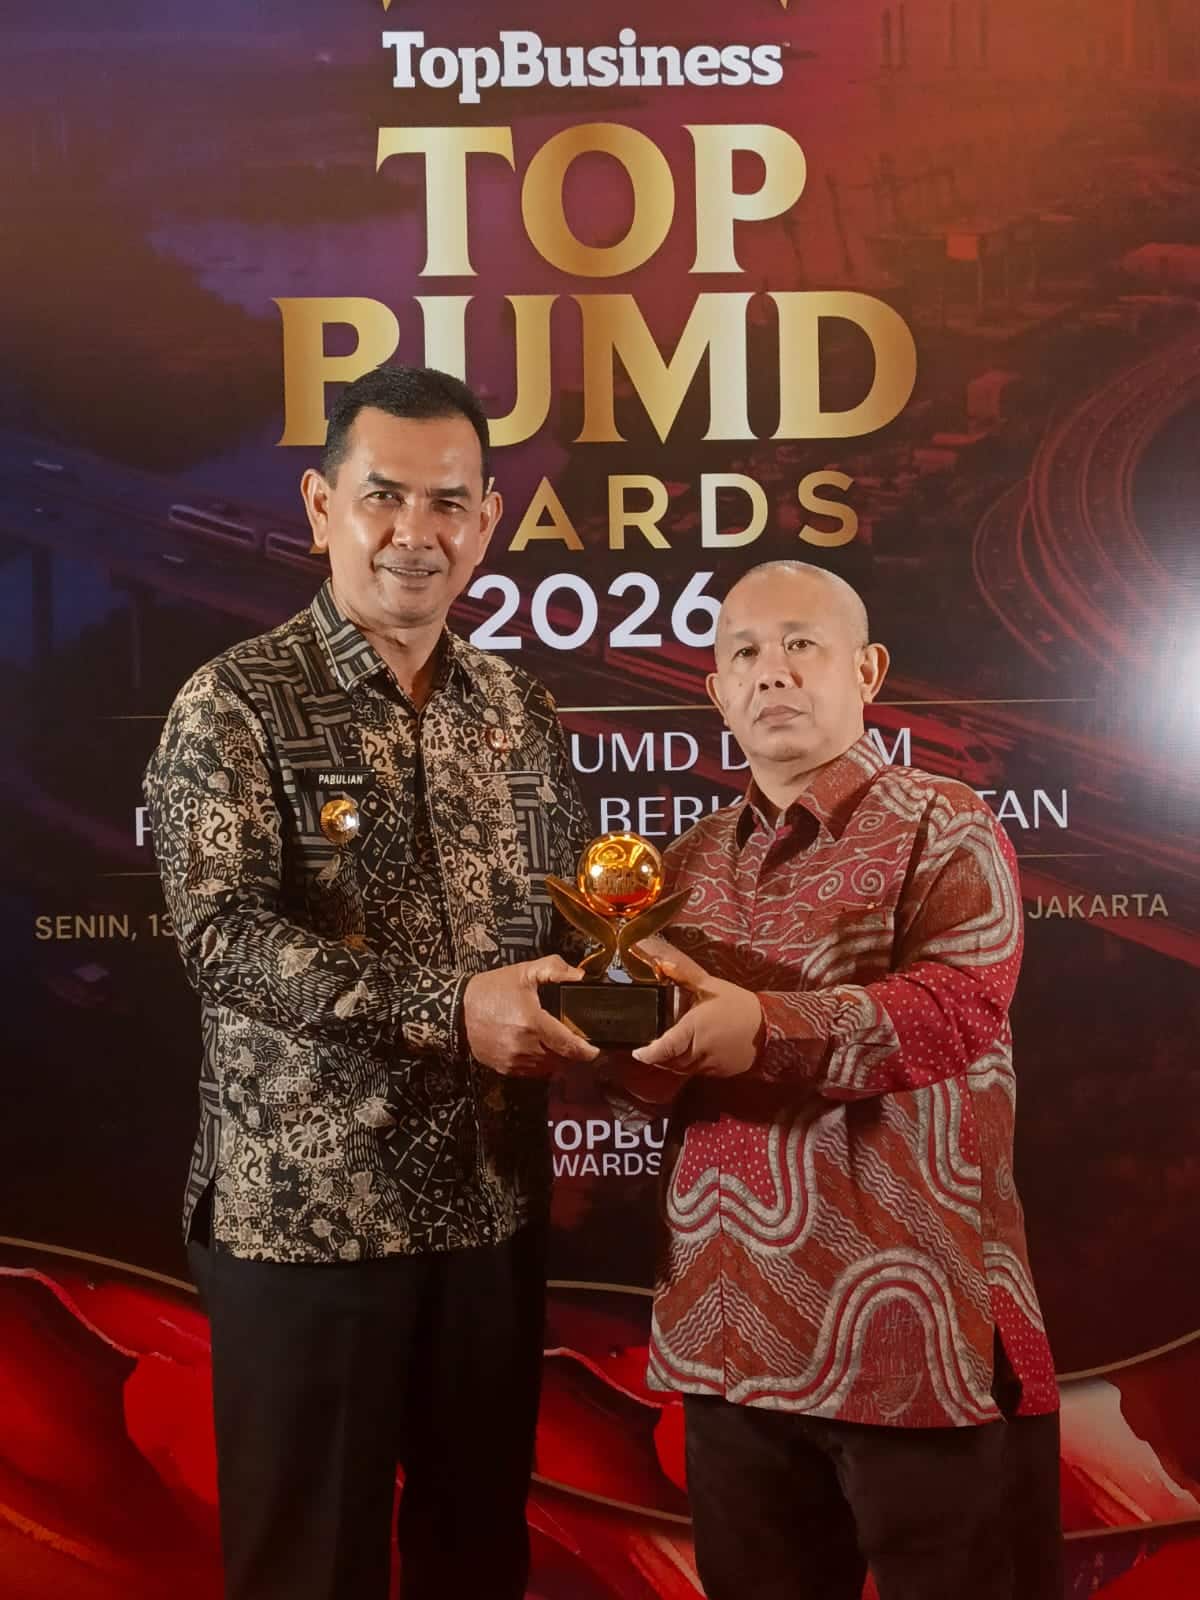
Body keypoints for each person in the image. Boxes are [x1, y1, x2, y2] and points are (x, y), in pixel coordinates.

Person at [143, 364, 598, 1600]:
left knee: (477, 1563)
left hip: (490, 1214)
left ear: (487, 521)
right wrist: (450, 1009)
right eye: (383, 495)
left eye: (448, 502)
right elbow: (220, 934)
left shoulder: (518, 707)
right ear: (320, 506)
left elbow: (573, 919)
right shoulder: (233, 703)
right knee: (311, 1572)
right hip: (309, 1225)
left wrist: (637, 1001)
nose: (415, 532)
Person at [614, 560, 1061, 1600]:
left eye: (800, 644)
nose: (771, 671)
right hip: (728, 1346)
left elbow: (957, 1008)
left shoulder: (945, 821)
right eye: (744, 653)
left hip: (921, 1346)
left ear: (866, 670)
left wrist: (761, 1028)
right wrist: (618, 1059)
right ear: (718, 691)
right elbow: (650, 1080)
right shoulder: (676, 867)